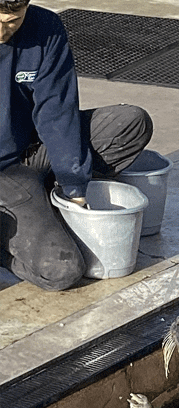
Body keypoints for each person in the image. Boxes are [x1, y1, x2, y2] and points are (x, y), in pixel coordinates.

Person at [0, 0, 153, 291]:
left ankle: (49, 199)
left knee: (131, 123)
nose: (3, 31)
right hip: (5, 175)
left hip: (32, 150)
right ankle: (8, 236)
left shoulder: (45, 28)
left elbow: (57, 111)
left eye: (12, 21)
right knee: (62, 271)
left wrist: (74, 185)